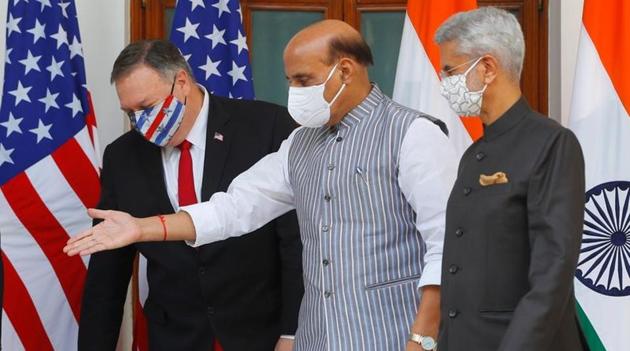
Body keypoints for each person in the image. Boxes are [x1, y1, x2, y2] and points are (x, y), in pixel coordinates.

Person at [66, 20, 459, 351]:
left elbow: (448, 247)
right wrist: (142, 228)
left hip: (391, 336)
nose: (295, 92)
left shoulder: (414, 133)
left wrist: (423, 340)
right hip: (318, 338)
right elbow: (234, 208)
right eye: (291, 80)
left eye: (304, 79)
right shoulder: (300, 142)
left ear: (345, 70)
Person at [77, 40, 304, 351]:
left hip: (261, 333)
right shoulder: (123, 156)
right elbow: (107, 276)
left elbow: (296, 243)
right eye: (129, 112)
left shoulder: (268, 127)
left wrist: (293, 333)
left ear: (181, 82)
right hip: (175, 336)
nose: (140, 122)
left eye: (146, 107)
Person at [434, 7, 586, 351]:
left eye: (450, 71)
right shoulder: (473, 155)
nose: (444, 83)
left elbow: (552, 272)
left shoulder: (551, 143)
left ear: (487, 68)